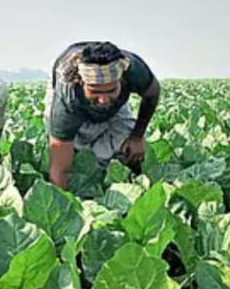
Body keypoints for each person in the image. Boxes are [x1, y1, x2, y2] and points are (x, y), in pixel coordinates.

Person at [43, 41, 161, 190]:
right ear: (81, 82)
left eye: (110, 90)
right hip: (71, 94)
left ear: (121, 80)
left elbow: (152, 95)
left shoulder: (133, 70)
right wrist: (65, 206)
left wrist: (137, 136)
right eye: (95, 91)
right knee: (72, 158)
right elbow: (58, 169)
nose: (103, 99)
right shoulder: (67, 97)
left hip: (118, 101)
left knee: (129, 151)